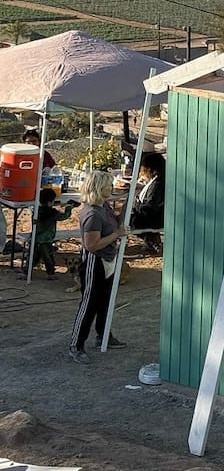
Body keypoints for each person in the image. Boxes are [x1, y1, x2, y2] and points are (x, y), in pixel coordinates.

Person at [68, 170, 128, 362]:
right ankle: (76, 345)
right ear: (98, 187)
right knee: (90, 303)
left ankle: (104, 335)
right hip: (95, 261)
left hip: (108, 258)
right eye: (108, 185)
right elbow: (91, 245)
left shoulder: (104, 206)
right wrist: (116, 235)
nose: (111, 188)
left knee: (105, 301)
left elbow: (115, 223)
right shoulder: (92, 213)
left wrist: (127, 207)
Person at [129, 151, 166, 255]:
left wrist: (136, 203)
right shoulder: (158, 180)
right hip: (156, 215)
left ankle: (150, 237)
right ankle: (151, 238)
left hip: (155, 218)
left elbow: (150, 207)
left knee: (127, 219)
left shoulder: (157, 184)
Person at [33, 186, 73, 278]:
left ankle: (26, 271)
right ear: (50, 202)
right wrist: (69, 208)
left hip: (36, 238)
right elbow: (64, 216)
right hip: (46, 240)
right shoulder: (52, 213)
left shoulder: (37, 211)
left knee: (33, 257)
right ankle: (51, 274)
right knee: (49, 258)